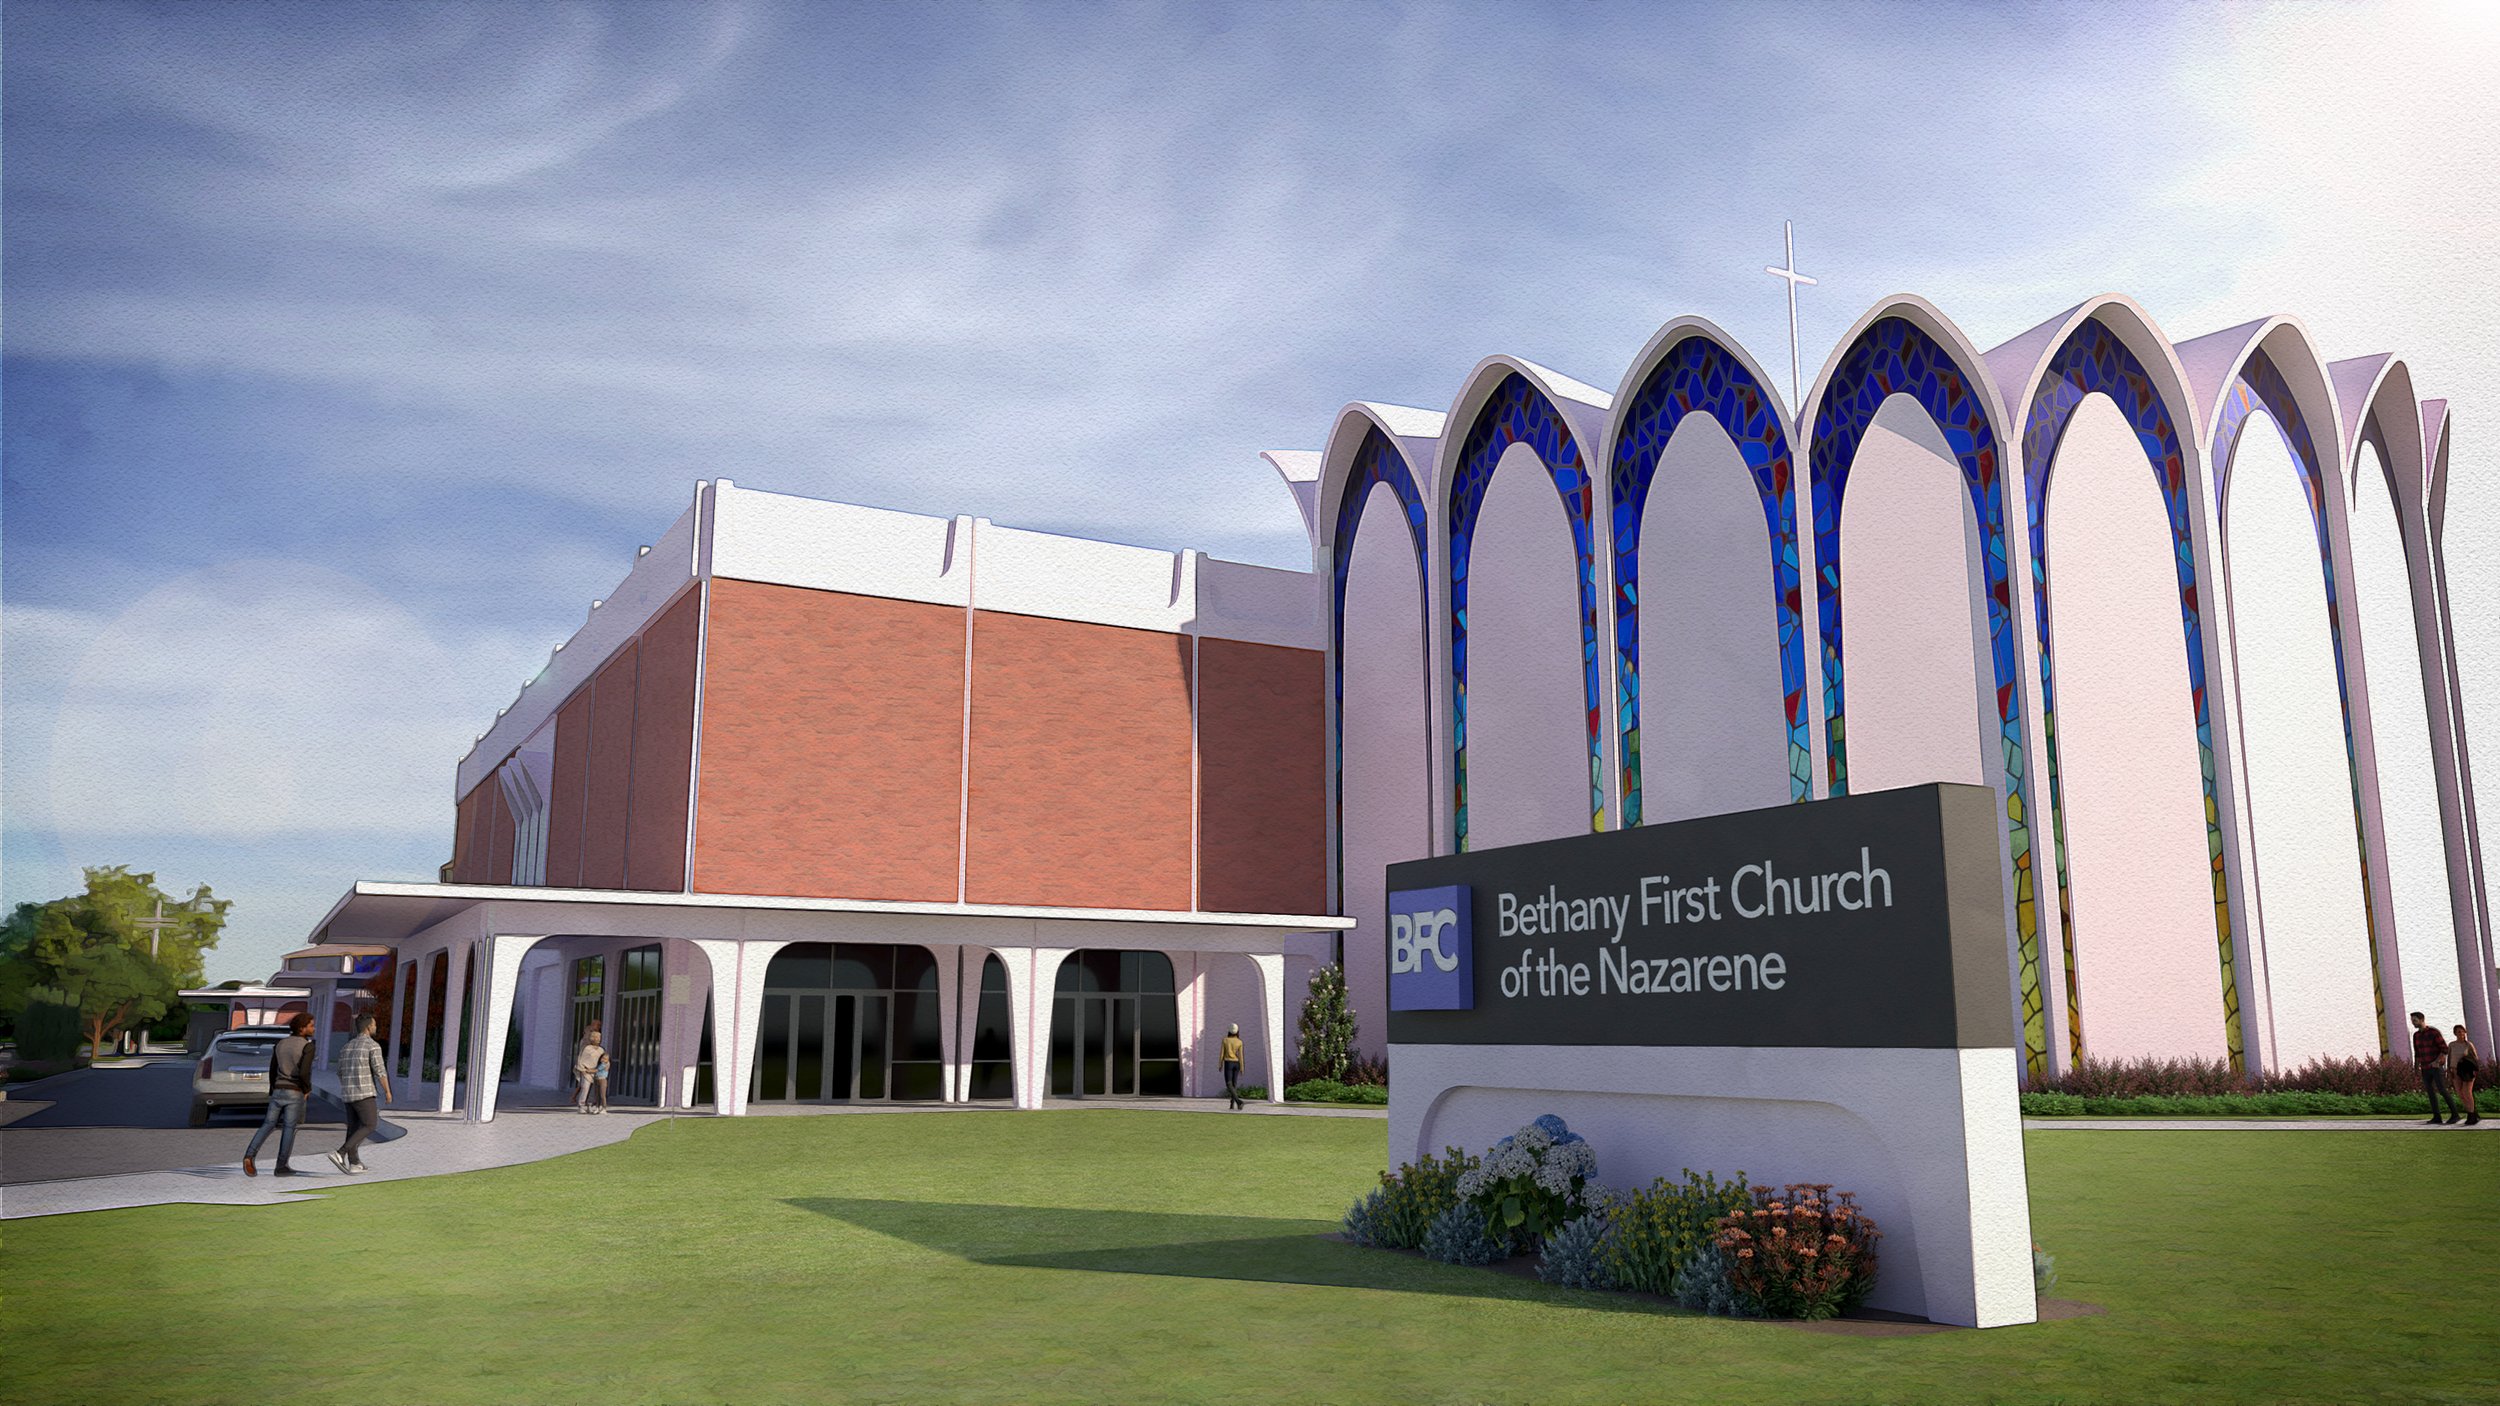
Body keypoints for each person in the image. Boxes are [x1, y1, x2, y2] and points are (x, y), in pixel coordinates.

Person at [243, 1013, 318, 1176]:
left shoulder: (280, 1044)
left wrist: (273, 1089)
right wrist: (307, 1089)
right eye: (311, 1025)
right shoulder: (308, 1046)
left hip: (278, 1089)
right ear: (301, 1028)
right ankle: (281, 1166)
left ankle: (249, 1155)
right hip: (295, 1091)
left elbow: (272, 1069)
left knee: (268, 1124)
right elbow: (304, 1072)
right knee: (289, 1128)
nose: (314, 1028)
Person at [327, 1014, 391, 1174]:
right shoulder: (372, 1046)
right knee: (370, 1124)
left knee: (354, 1128)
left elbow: (340, 1072)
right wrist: (388, 1091)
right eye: (374, 1025)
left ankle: (354, 1163)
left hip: (348, 1094)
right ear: (368, 1027)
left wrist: (348, 1087)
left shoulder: (346, 1047)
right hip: (365, 1093)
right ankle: (340, 1153)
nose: (376, 1027)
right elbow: (380, 1071)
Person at [2411, 1011, 2463, 1125]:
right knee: (2430, 1092)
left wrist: (2436, 1061)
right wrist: (2415, 1068)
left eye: (2414, 1020)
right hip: (2425, 1068)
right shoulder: (2416, 1035)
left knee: (2442, 1090)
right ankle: (2436, 1117)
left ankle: (2455, 1115)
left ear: (2421, 1020)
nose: (2413, 1023)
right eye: (2412, 1021)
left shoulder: (2434, 1033)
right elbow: (2417, 1053)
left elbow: (2444, 1049)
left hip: (2436, 1067)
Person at [2451, 1025, 2482, 1126]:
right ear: (2455, 1033)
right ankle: (2473, 1111)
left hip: (2466, 1071)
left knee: (2467, 1092)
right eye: (2458, 1032)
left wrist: (2475, 1069)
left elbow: (2475, 1058)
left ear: (2465, 1032)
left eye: (2462, 1031)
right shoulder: (2452, 1045)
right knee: (2460, 1093)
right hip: (2455, 1070)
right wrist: (2449, 1070)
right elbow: (2450, 1058)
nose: (2460, 1034)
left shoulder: (2468, 1045)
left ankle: (2471, 1115)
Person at [574, 1024, 606, 1114]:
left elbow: (603, 1061)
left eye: (599, 1038)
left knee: (593, 1091)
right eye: (596, 1038)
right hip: (586, 1071)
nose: (598, 1040)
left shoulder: (601, 1050)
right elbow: (580, 1060)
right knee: (585, 1088)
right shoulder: (587, 1048)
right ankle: (582, 1105)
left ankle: (591, 1104)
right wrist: (583, 1070)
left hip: (595, 1072)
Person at [1220, 1022, 1245, 1111]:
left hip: (1228, 1062)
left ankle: (1238, 1101)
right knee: (1234, 1084)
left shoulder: (1225, 1040)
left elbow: (1222, 1053)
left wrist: (1220, 1064)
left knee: (1229, 1084)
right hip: (1237, 1063)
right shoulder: (1239, 1041)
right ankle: (1232, 1104)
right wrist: (1242, 1067)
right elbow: (1241, 1055)